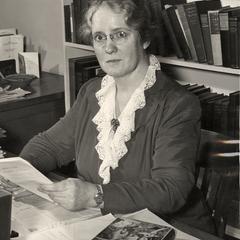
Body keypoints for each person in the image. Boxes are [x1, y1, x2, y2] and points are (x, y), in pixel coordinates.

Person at [20, 0, 215, 234]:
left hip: (170, 226)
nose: (108, 48)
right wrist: (17, 173)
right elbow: (50, 145)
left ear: (144, 38)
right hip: (105, 220)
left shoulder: (177, 104)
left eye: (120, 34)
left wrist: (94, 196)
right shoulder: (92, 92)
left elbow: (170, 189)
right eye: (99, 37)